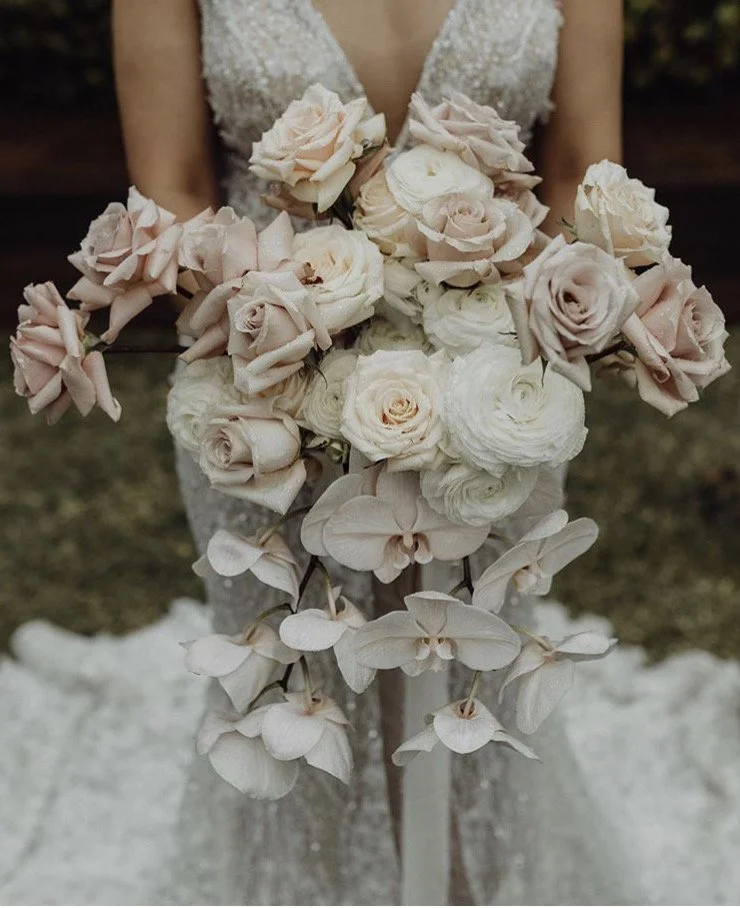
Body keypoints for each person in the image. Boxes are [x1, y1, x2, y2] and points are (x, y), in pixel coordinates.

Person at [113, 1, 638, 904]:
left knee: (476, 676)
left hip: (499, 386)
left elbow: (580, 176)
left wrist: (502, 338)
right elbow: (174, 185)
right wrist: (296, 334)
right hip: (266, 393)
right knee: (291, 689)